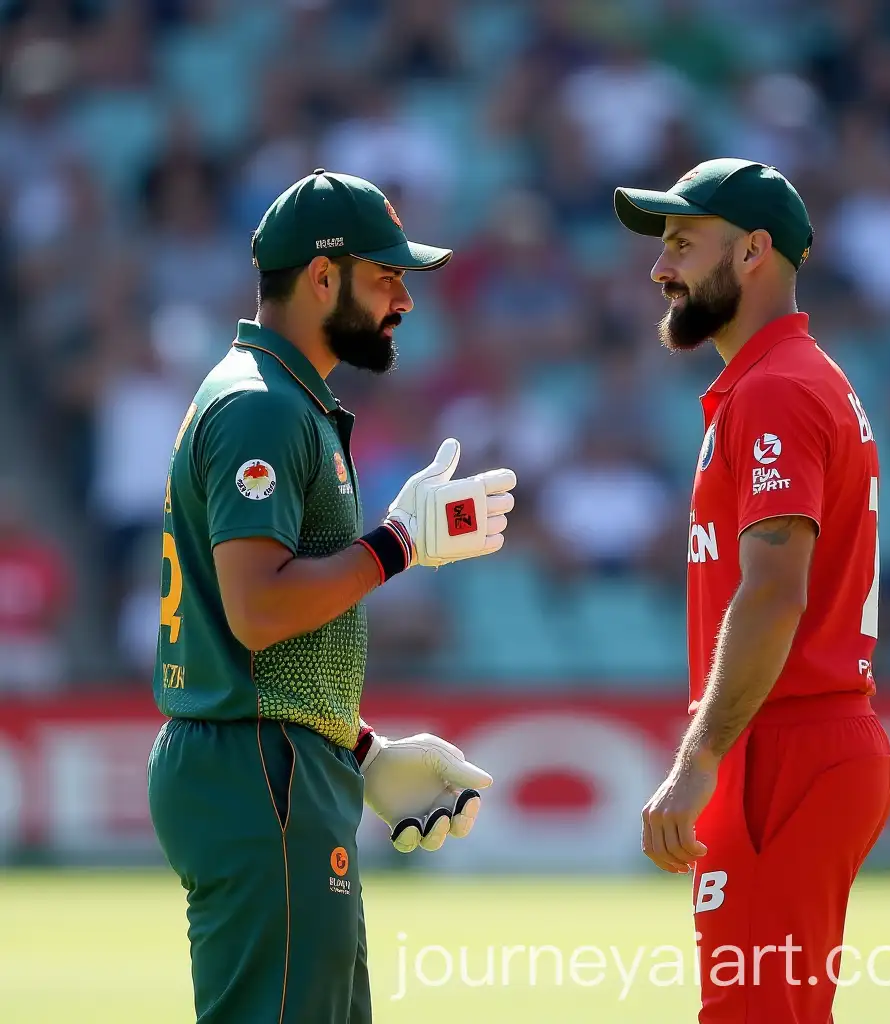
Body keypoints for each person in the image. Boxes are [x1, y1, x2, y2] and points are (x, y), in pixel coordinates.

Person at [147, 169, 517, 1024]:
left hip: (270, 756)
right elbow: (258, 611)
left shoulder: (279, 399)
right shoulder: (263, 407)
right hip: (256, 764)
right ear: (322, 277)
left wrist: (359, 749)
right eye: (385, 277)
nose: (404, 300)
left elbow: (256, 639)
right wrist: (398, 544)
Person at [614, 159, 890, 1022]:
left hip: (789, 745)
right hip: (794, 739)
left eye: (682, 244)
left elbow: (775, 594)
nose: (660, 268)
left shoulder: (777, 389)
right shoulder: (781, 381)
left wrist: (697, 760)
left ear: (753, 252)